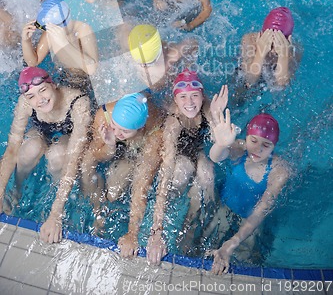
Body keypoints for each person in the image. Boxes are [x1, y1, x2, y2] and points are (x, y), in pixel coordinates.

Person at [145, 69, 228, 265]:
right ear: (175, 98)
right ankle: (176, 208)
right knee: (181, 171)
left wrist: (216, 116)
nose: (189, 103)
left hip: (200, 152)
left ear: (203, 96)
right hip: (180, 156)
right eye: (183, 97)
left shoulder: (209, 108)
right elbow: (166, 171)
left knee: (207, 174)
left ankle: (194, 222)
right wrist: (157, 231)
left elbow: (221, 154)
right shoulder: (174, 122)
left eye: (194, 96)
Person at [0, 67, 91, 243]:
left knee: (57, 155)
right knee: (29, 149)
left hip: (69, 133)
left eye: (43, 90)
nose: (39, 100)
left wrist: (56, 214)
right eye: (31, 96)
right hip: (42, 129)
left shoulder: (78, 102)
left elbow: (73, 160)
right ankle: (17, 189)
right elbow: (12, 149)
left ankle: (54, 198)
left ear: (53, 84)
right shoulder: (25, 103)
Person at [207, 102, 290, 275]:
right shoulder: (238, 148)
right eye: (253, 140)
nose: (258, 148)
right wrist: (221, 144)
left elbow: (260, 211)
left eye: (266, 145)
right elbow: (215, 158)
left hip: (250, 220)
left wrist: (234, 241)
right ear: (246, 138)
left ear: (274, 146)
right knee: (207, 242)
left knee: (247, 261)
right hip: (224, 206)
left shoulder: (279, 171)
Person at [80, 93, 163, 248]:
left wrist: (132, 233)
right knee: (86, 164)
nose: (117, 133)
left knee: (114, 191)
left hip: (137, 151)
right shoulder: (104, 115)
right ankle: (94, 209)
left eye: (124, 131)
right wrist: (110, 145)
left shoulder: (155, 132)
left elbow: (142, 183)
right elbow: (96, 154)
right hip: (115, 146)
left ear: (141, 127)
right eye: (114, 126)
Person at [21, 0, 98, 81]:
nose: (48, 31)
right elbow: (32, 62)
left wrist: (65, 43)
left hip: (87, 79)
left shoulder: (83, 29)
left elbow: (92, 69)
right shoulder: (50, 34)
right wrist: (26, 41)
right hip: (64, 76)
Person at [127, 24, 198, 93]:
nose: (145, 66)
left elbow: (193, 42)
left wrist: (187, 68)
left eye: (149, 63)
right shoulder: (128, 43)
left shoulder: (171, 55)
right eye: (142, 64)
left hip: (161, 85)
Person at [240, 7, 299, 87]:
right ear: (260, 35)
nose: (272, 51)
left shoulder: (294, 50)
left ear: (288, 41)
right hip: (251, 70)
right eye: (268, 43)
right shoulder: (249, 40)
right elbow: (249, 80)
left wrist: (284, 55)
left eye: (278, 44)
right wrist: (260, 53)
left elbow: (281, 85)